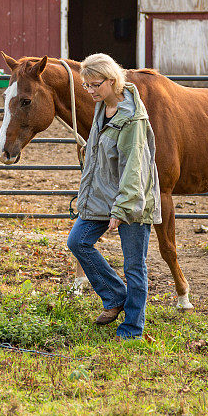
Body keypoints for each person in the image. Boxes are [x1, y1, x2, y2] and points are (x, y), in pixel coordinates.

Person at [67, 53, 161, 340]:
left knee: (134, 266)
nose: (90, 90)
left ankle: (132, 329)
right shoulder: (103, 107)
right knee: (78, 242)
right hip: (102, 197)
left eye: (95, 84)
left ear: (112, 80)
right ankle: (115, 295)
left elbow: (135, 167)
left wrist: (122, 210)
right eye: (86, 86)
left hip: (131, 202)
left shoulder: (131, 119)